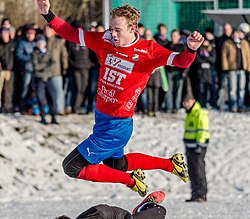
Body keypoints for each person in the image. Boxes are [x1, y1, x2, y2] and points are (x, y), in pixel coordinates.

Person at [36, 0, 204, 197]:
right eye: (111, 28)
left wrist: (190, 49)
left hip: (117, 124)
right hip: (101, 117)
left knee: (71, 166)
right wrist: (48, 15)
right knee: (116, 164)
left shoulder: (148, 50)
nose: (112, 34)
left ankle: (132, 181)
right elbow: (71, 33)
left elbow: (181, 61)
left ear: (132, 28)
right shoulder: (105, 40)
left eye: (118, 30)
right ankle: (170, 164)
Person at [182, 88, 209, 202]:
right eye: (184, 103)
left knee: (199, 171)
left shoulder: (199, 113)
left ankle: (201, 194)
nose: (185, 105)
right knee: (191, 172)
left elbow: (202, 130)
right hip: (190, 147)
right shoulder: (190, 113)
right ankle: (194, 194)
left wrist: (200, 145)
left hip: (198, 147)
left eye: (187, 102)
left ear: (192, 101)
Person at [55, 191, 167, 219]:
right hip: (105, 212)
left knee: (160, 211)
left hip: (123, 217)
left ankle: (146, 205)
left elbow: (102, 212)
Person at [221, 29, 250, 112]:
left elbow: (248, 56)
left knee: (241, 89)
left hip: (242, 69)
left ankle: (240, 106)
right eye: (235, 34)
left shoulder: (244, 43)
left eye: (238, 34)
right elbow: (224, 56)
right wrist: (225, 67)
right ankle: (233, 106)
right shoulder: (227, 43)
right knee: (232, 89)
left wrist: (248, 67)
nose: (236, 36)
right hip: (232, 69)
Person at [33, 34, 58, 124]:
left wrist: (44, 68)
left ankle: (53, 117)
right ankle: (43, 117)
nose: (40, 44)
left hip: (49, 78)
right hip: (39, 79)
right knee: (41, 99)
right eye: (39, 43)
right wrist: (46, 66)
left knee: (52, 98)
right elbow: (36, 67)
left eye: (42, 42)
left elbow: (53, 64)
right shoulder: (35, 53)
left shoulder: (49, 52)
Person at [0, 28, 14, 113]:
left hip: (10, 70)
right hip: (1, 71)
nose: (5, 36)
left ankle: (8, 107)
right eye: (3, 34)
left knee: (8, 90)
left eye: (6, 34)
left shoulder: (13, 44)